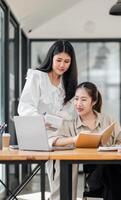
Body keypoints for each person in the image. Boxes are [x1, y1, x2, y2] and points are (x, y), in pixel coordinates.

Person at [49, 81, 121, 200]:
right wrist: (74, 139)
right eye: (76, 99)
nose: (78, 103)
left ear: (93, 102)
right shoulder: (69, 122)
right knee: (111, 171)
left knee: (112, 169)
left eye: (83, 100)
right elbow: (53, 140)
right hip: (94, 177)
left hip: (111, 170)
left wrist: (108, 148)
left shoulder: (108, 120)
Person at [17, 40, 78, 200]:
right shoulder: (37, 77)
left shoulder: (68, 83)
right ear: (51, 58)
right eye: (59, 60)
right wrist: (42, 119)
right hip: (39, 134)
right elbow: (25, 106)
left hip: (62, 134)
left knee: (70, 166)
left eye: (67, 61)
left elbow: (69, 113)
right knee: (59, 168)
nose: (62, 65)